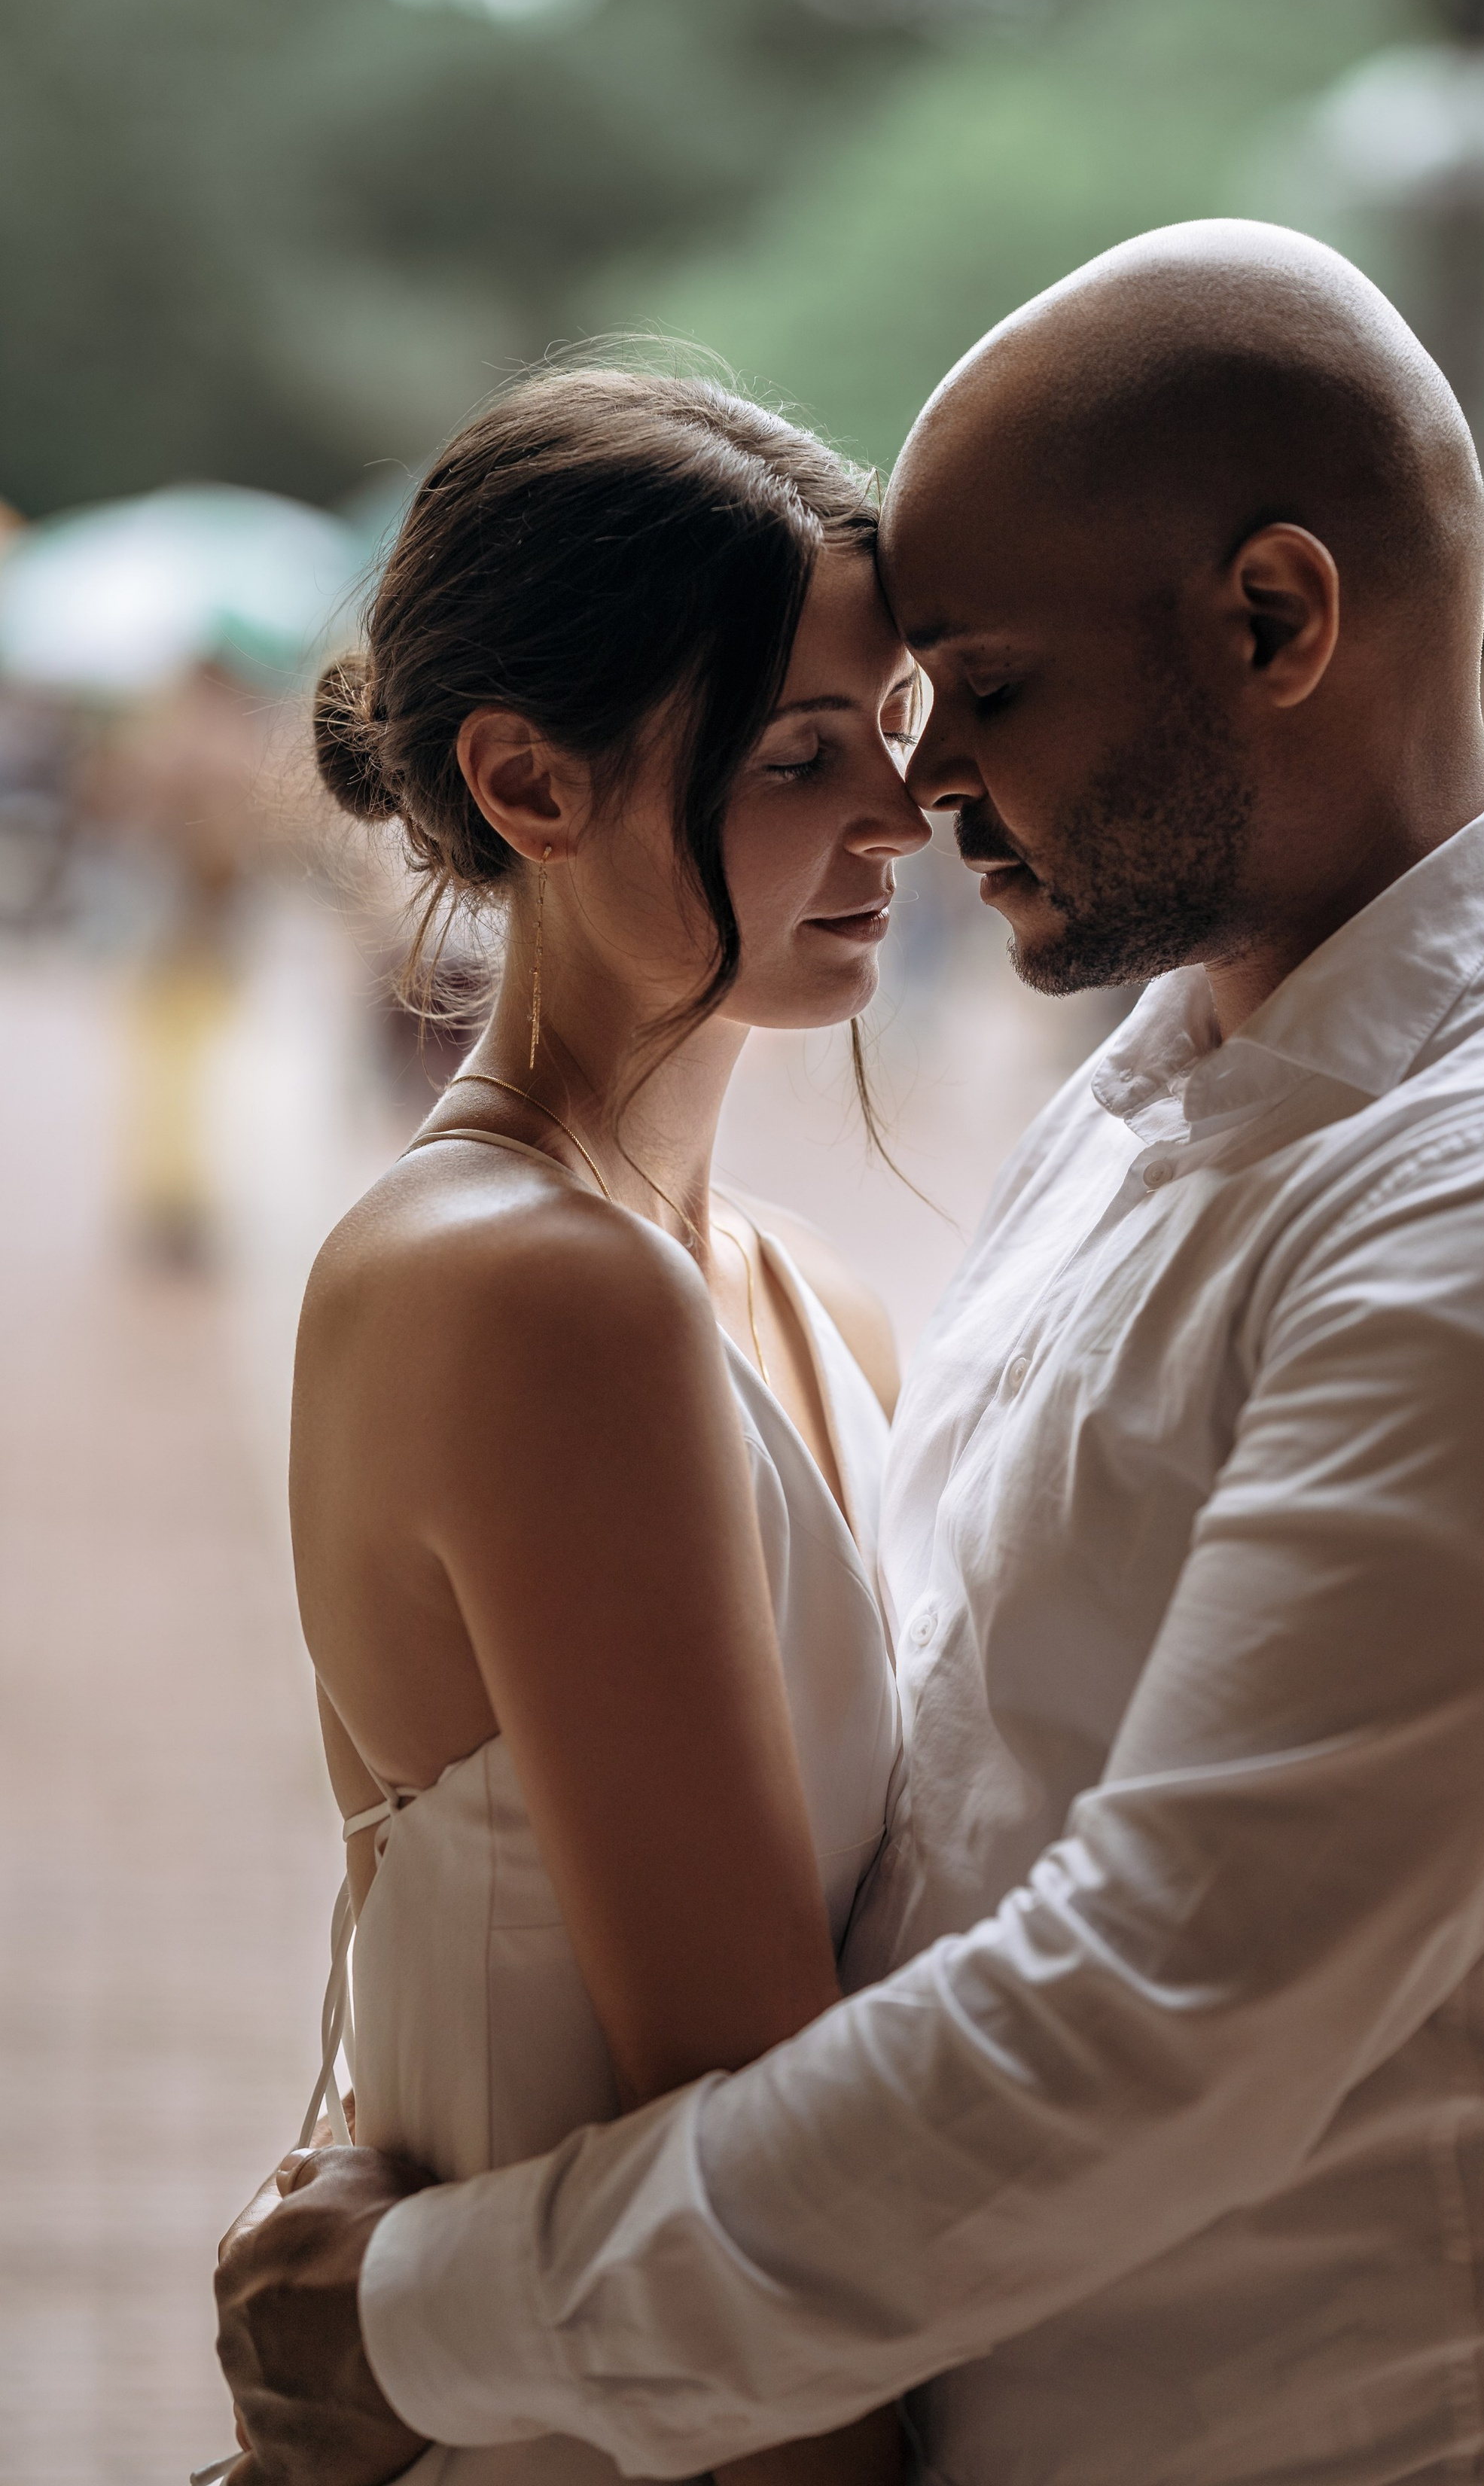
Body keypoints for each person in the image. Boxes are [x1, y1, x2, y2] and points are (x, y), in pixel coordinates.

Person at [216, 224, 1484, 2486]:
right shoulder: (1167, 1085)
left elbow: (1152, 2022)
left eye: (978, 694)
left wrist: (423, 2322)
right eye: (851, 734)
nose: (931, 794)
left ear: (1272, 623)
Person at [218, 366, 929, 2486]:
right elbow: (754, 2163)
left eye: (897, 731)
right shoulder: (530, 1292)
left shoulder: (811, 1299)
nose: (901, 818)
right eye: (802, 753)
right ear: (529, 781)